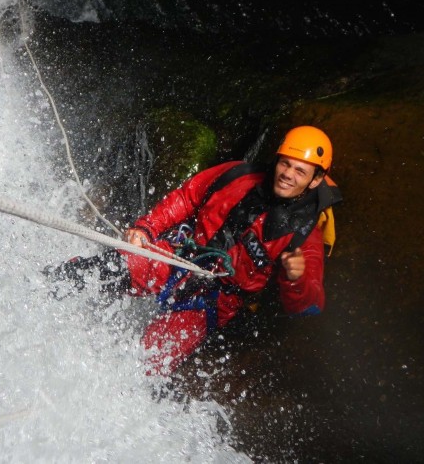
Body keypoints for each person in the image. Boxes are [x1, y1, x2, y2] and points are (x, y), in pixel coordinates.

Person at [46, 125, 342, 374]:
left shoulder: (305, 236)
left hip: (211, 301)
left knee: (146, 364)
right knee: (106, 269)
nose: (288, 174)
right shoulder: (239, 176)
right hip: (179, 256)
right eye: (285, 164)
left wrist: (297, 277)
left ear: (315, 180)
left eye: (300, 171)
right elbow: (188, 197)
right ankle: (42, 287)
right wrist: (146, 228)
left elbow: (308, 304)